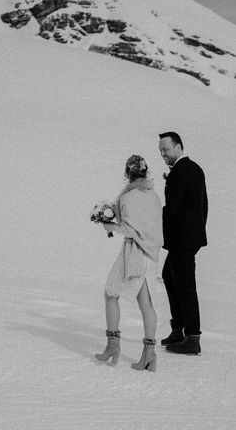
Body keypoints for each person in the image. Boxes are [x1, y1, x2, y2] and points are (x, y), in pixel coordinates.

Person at [95, 155, 163, 372]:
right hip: (151, 255)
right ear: (145, 172)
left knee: (110, 293)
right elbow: (151, 227)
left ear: (127, 174)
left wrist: (112, 227)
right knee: (147, 304)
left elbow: (130, 229)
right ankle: (149, 353)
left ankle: (113, 344)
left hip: (133, 254)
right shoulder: (153, 196)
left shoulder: (128, 198)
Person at [158, 132, 208, 355]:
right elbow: (204, 205)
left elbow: (173, 209)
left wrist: (152, 220)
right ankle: (178, 329)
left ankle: (193, 337)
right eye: (160, 150)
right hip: (190, 238)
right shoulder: (195, 169)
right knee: (170, 277)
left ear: (178, 147)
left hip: (182, 240)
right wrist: (197, 231)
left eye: (166, 149)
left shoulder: (180, 173)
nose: (162, 154)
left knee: (186, 287)